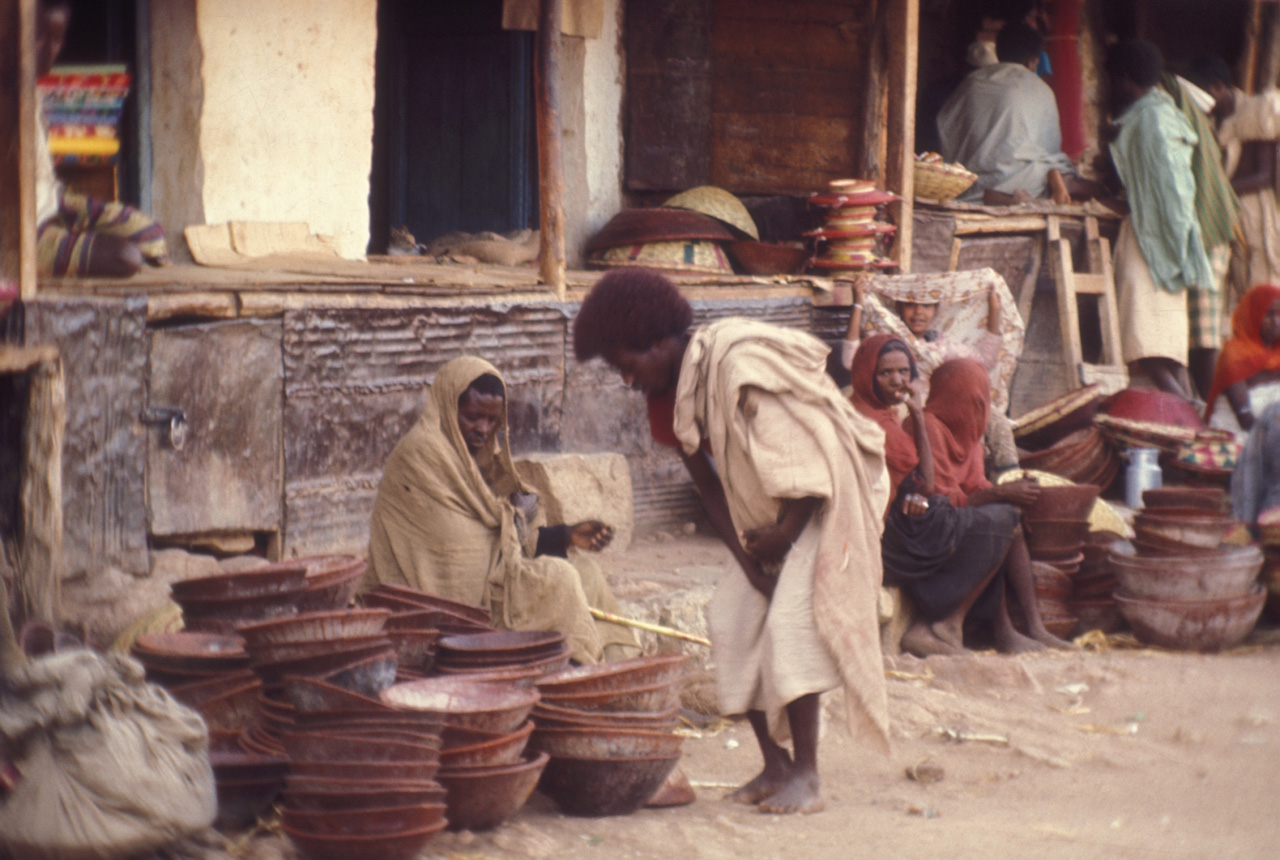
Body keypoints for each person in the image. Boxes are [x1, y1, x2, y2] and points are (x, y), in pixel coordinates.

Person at [573, 268, 890, 815]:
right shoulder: (669, 392)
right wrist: (749, 562)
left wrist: (785, 536)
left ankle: (809, 776)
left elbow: (808, 462)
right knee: (731, 617)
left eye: (629, 366)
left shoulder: (736, 363)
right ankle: (776, 766)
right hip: (768, 521)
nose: (628, 381)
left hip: (825, 501)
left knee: (792, 623)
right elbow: (706, 484)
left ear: (662, 341)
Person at [365, 356, 638, 666]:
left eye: (492, 420)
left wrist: (565, 536)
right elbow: (459, 551)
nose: (483, 429)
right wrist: (516, 517)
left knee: (586, 573)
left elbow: (494, 534)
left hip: (490, 581)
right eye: (472, 417)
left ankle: (626, 666)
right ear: (447, 405)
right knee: (560, 579)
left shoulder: (477, 457)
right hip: (453, 603)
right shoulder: (421, 454)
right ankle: (585, 676)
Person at [851, 340, 1067, 656]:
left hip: (918, 514)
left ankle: (1019, 628)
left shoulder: (963, 433)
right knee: (1002, 520)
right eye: (885, 373)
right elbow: (930, 489)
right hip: (892, 532)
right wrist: (999, 494)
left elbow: (948, 487)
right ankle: (942, 626)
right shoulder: (892, 422)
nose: (898, 381)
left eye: (903, 372)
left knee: (1006, 517)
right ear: (867, 375)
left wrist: (1004, 494)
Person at [1105, 40, 1215, 400]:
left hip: (1151, 243)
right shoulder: (1166, 112)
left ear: (1122, 79)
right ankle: (1192, 417)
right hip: (1168, 239)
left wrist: (1172, 238)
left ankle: (1189, 420)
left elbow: (1168, 187)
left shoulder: (1149, 118)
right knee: (1169, 350)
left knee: (1147, 347)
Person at [33, 2, 167, 277]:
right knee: (125, 258)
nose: (49, 50)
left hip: (53, 207)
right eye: (38, 38)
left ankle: (65, 236)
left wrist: (62, 205)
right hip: (19, 234)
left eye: (57, 39)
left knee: (150, 236)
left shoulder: (36, 95)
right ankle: (58, 243)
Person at [840, 269, 1022, 471]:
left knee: (996, 419)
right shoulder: (887, 337)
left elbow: (985, 360)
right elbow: (850, 360)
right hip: (907, 404)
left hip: (943, 405)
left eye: (926, 305)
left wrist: (994, 311)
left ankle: (1009, 475)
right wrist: (858, 304)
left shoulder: (943, 344)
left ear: (936, 309)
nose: (918, 312)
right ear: (899, 307)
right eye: (911, 304)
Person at [936, 22, 1079, 204]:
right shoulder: (1041, 90)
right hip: (1019, 188)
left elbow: (947, 134)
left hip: (967, 190)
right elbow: (1049, 152)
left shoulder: (971, 83)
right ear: (1033, 60)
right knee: (1057, 168)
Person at [1189, 55, 1280, 289]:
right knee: (1242, 288)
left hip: (1258, 215)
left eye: (1204, 92)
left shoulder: (1255, 113)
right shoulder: (1212, 124)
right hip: (1232, 216)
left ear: (1220, 87)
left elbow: (1264, 176)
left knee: (1266, 289)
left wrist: (1218, 191)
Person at [1203, 284, 1280, 434]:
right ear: (1252, 315)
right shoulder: (1235, 353)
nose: (1276, 322)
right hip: (1235, 434)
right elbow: (1245, 419)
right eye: (1269, 314)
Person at [1230, 401, 1280, 530]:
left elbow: (1249, 476)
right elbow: (1251, 474)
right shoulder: (1273, 414)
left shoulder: (1273, 413)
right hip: (1271, 525)